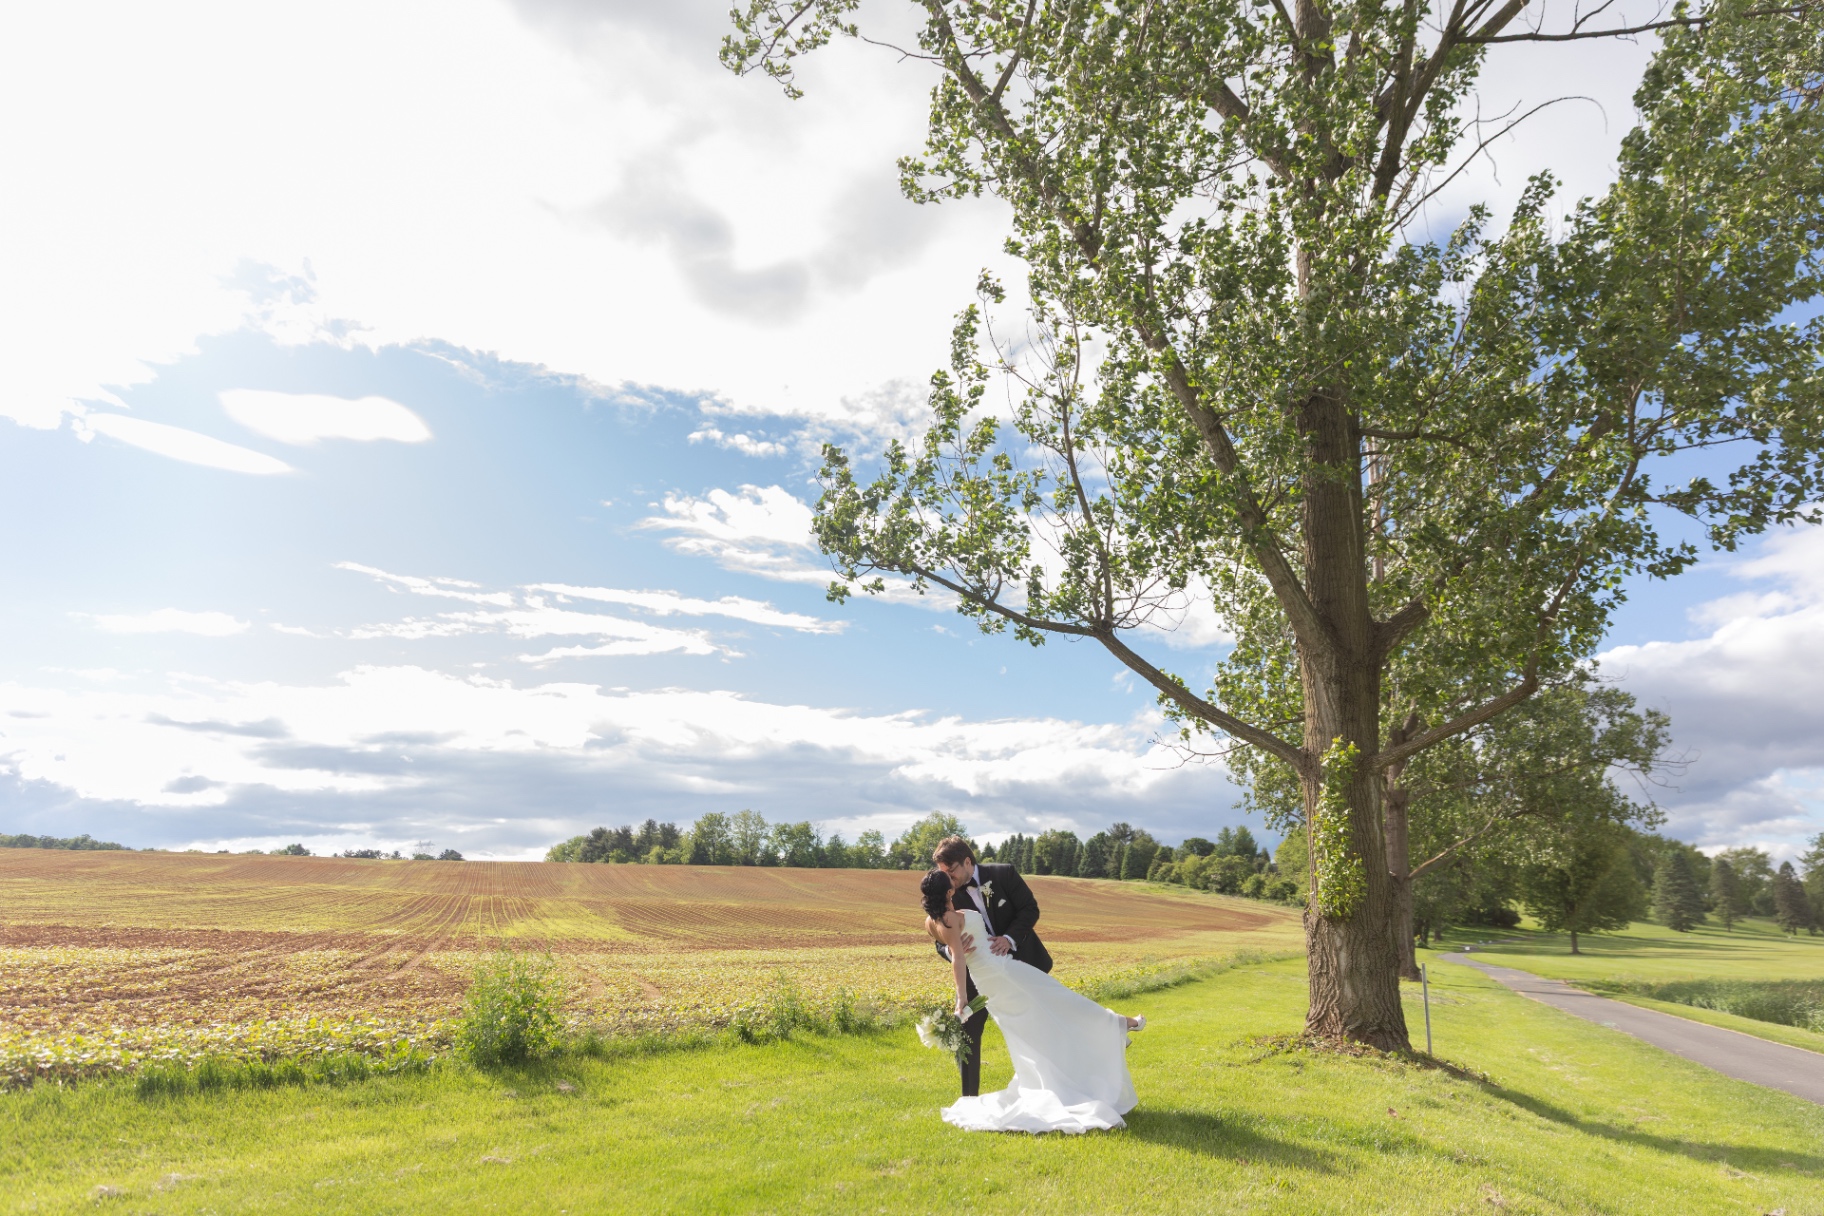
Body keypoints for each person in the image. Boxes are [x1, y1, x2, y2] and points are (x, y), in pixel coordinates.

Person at [920, 868, 1144, 1134]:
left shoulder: (931, 922)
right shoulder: (952, 918)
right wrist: (961, 998)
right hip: (1004, 972)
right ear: (948, 892)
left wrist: (951, 946)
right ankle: (1115, 1024)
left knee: (1032, 1029)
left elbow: (952, 947)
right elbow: (957, 957)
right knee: (1060, 998)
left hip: (989, 984)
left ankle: (1064, 1071)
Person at [926, 835, 1052, 1098]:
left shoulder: (1003, 874)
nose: (948, 879)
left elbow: (1030, 909)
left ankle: (1049, 1089)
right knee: (967, 1034)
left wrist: (1009, 939)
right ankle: (969, 1100)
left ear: (968, 862)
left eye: (951, 871)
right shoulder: (947, 895)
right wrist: (951, 949)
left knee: (1042, 1028)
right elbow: (939, 938)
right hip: (977, 975)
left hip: (1020, 967)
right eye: (943, 873)